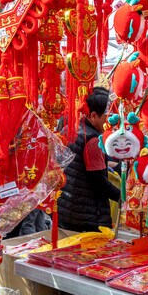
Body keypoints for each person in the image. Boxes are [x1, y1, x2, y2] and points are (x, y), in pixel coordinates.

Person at [57, 87, 120, 232]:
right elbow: (99, 183)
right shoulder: (93, 140)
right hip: (86, 215)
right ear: (93, 116)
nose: (112, 121)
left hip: (66, 207)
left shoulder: (70, 128)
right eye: (108, 116)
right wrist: (123, 198)